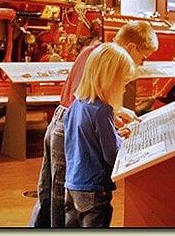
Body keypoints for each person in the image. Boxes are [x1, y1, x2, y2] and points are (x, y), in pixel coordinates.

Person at [29, 20, 159, 227]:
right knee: (57, 197)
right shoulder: (104, 58)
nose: (141, 63)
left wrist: (114, 116)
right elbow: (94, 104)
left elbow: (86, 99)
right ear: (132, 48)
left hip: (61, 120)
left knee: (50, 192)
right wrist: (111, 119)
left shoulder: (93, 50)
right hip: (68, 129)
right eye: (142, 57)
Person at [64, 43, 135, 227]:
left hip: (72, 185)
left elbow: (81, 142)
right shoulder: (102, 110)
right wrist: (122, 139)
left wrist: (115, 133)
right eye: (123, 82)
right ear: (111, 79)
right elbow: (112, 155)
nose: (125, 89)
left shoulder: (76, 105)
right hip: (94, 188)